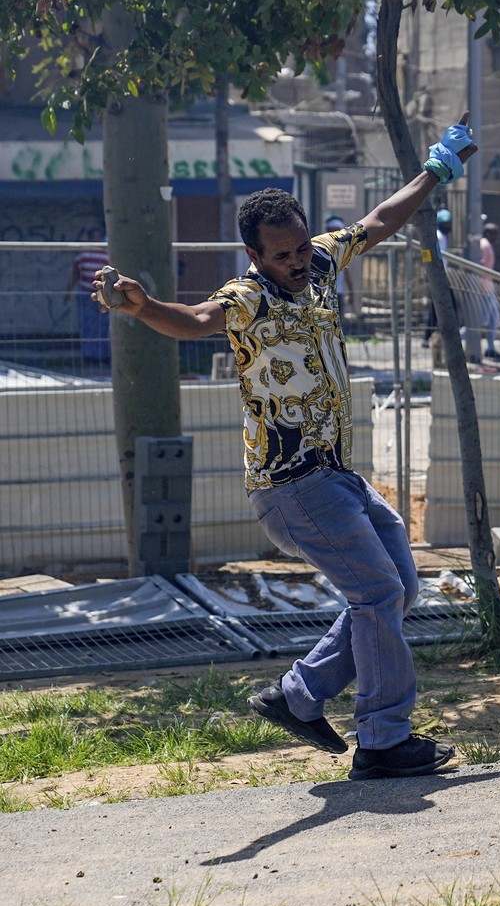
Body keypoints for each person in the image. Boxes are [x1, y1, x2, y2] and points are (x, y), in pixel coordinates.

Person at [93, 117, 477, 781]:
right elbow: (194, 323)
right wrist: (142, 307)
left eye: (299, 249)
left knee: (400, 588)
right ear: (255, 256)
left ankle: (298, 697)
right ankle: (384, 742)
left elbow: (380, 220)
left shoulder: (322, 262)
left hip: (336, 477)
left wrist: (437, 171)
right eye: (282, 256)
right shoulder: (245, 299)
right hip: (291, 485)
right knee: (379, 594)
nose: (296, 263)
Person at [67, 228, 112, 362]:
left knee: (104, 324)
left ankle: (104, 355)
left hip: (103, 294)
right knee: (87, 324)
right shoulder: (83, 255)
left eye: (98, 237)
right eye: (94, 237)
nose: (96, 240)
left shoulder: (107, 255)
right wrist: (68, 291)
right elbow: (75, 273)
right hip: (85, 293)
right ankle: (89, 355)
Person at [422, 208, 454, 347]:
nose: (449, 226)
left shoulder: (443, 236)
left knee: (437, 307)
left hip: (441, 275)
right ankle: (432, 336)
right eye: (446, 223)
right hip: (437, 276)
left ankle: (430, 336)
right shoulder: (439, 236)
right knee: (442, 306)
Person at [477, 221, 500, 361]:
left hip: (489, 287)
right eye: (494, 234)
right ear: (488, 233)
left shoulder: (488, 245)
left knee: (494, 318)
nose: (496, 237)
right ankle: (457, 336)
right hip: (483, 288)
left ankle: (490, 348)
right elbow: (480, 264)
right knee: (481, 320)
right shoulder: (484, 245)